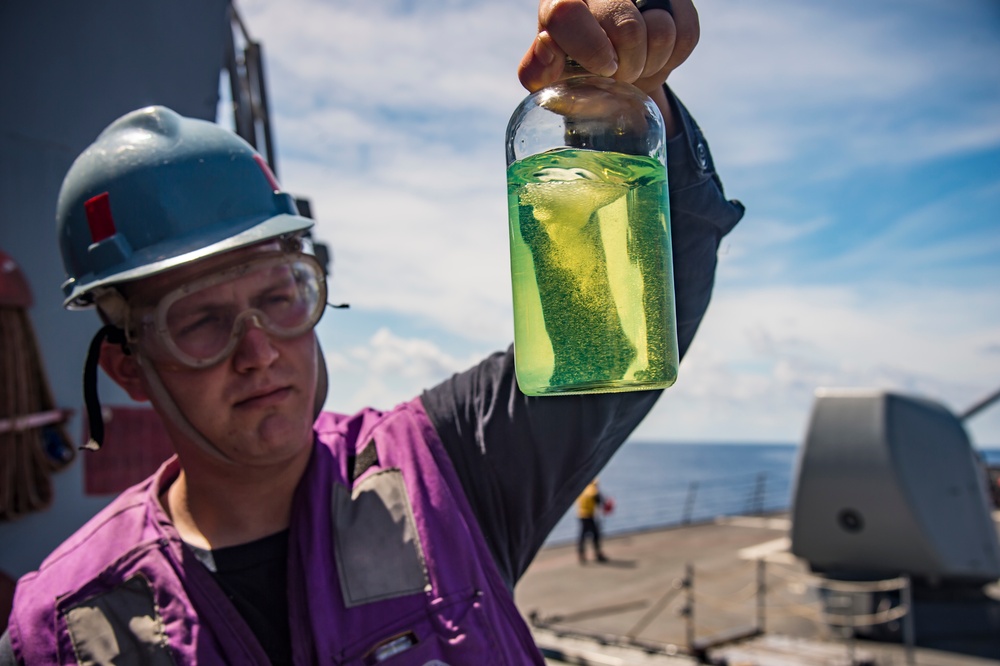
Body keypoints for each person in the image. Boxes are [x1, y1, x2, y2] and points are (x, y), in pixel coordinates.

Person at [2, 0, 744, 662]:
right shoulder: (61, 631)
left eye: (283, 294)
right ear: (127, 367)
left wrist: (621, 116)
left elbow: (618, 346)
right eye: (199, 320)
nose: (259, 352)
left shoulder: (447, 470)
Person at [577, 479, 609, 563]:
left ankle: (581, 554)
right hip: (590, 516)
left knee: (582, 536)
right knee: (595, 535)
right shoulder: (593, 491)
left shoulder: (582, 490)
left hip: (581, 515)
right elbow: (601, 502)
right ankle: (598, 554)